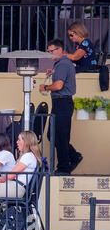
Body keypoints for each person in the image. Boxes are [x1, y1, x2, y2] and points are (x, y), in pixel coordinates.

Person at [39, 39, 82, 175]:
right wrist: (54, 72)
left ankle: (64, 167)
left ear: (60, 50)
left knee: (60, 135)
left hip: (63, 102)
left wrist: (45, 87)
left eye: (52, 50)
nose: (50, 53)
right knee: (53, 135)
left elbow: (58, 86)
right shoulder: (60, 64)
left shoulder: (62, 64)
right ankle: (73, 156)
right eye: (48, 51)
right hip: (60, 103)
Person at [0, 131, 42, 199]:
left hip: (16, 187)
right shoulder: (27, 156)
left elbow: (11, 175)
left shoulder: (28, 156)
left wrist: (0, 179)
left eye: (19, 139)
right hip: (11, 184)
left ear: (26, 142)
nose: (17, 142)